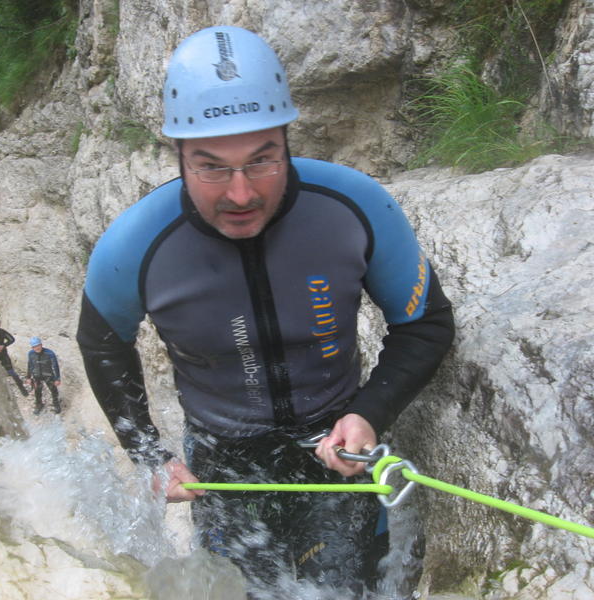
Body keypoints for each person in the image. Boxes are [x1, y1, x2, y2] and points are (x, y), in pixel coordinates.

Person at [76, 26, 455, 596]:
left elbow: (424, 322)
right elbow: (102, 343)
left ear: (287, 140)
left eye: (262, 160)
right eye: (211, 166)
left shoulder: (354, 207)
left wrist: (369, 412)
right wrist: (150, 455)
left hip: (335, 445)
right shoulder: (136, 244)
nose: (240, 194)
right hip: (224, 465)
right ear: (177, 154)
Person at [26, 337, 62, 414]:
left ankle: (56, 404)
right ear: (32, 347)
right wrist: (28, 377)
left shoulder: (49, 353)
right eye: (34, 346)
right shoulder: (31, 354)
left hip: (48, 375)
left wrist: (57, 379)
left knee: (53, 390)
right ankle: (39, 404)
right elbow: (30, 365)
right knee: (37, 391)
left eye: (38, 345)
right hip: (37, 375)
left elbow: (55, 366)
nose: (37, 348)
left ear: (41, 344)